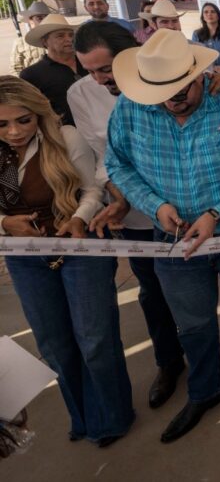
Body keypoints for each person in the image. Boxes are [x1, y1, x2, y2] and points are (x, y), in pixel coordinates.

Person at [105, 30, 220, 443]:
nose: (173, 101)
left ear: (199, 75)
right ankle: (205, 391)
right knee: (193, 322)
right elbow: (118, 165)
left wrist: (218, 214)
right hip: (174, 236)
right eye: (162, 94)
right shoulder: (129, 109)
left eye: (181, 89)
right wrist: (154, 206)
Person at [69, 22, 216, 413]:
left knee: (194, 293)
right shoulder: (80, 94)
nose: (100, 80)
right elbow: (103, 157)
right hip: (132, 213)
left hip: (187, 207)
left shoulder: (170, 76)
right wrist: (119, 198)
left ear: (130, 54)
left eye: (106, 68)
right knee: (152, 290)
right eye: (90, 71)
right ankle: (168, 361)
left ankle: (206, 359)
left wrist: (219, 81)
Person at [0, 76, 130, 447]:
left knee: (95, 339)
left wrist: (79, 217)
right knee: (53, 344)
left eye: (23, 120)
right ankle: (83, 417)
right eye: (2, 124)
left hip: (79, 243)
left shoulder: (66, 137)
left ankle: (113, 418)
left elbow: (91, 189)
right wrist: (5, 223)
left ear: (38, 112)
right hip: (23, 256)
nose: (13, 132)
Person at [19, 14, 84, 126]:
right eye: (60, 36)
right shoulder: (31, 74)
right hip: (64, 131)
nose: (69, 39)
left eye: (71, 35)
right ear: (44, 42)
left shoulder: (89, 62)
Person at [9, 1, 49, 74]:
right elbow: (15, 68)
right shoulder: (21, 42)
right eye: (39, 18)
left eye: (47, 18)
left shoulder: (57, 39)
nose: (44, 21)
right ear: (31, 21)